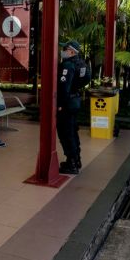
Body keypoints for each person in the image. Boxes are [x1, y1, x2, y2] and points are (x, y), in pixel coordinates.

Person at [57, 40, 89, 175]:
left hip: (67, 104)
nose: (62, 51)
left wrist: (60, 105)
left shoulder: (68, 65)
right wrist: (76, 88)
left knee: (66, 133)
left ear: (71, 51)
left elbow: (64, 88)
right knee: (72, 131)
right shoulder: (81, 63)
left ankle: (72, 163)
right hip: (75, 100)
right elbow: (87, 78)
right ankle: (77, 159)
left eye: (65, 49)